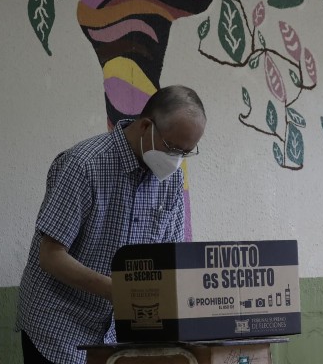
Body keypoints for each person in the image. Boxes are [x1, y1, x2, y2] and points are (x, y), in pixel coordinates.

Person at [15, 85, 206, 364]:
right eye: (173, 148)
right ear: (145, 126)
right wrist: (118, 291)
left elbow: (170, 260)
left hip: (119, 335)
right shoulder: (84, 165)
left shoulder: (171, 181)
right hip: (58, 328)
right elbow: (50, 256)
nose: (176, 161)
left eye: (186, 153)